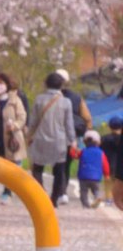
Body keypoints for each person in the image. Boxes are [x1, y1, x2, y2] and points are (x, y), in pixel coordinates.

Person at [35, 70, 79, 208]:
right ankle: (54, 199)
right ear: (61, 86)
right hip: (59, 140)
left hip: (40, 138)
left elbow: (33, 121)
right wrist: (73, 140)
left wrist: (28, 136)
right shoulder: (66, 102)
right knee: (59, 171)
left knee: (37, 168)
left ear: (46, 84)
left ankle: (41, 195)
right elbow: (69, 124)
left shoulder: (38, 99)